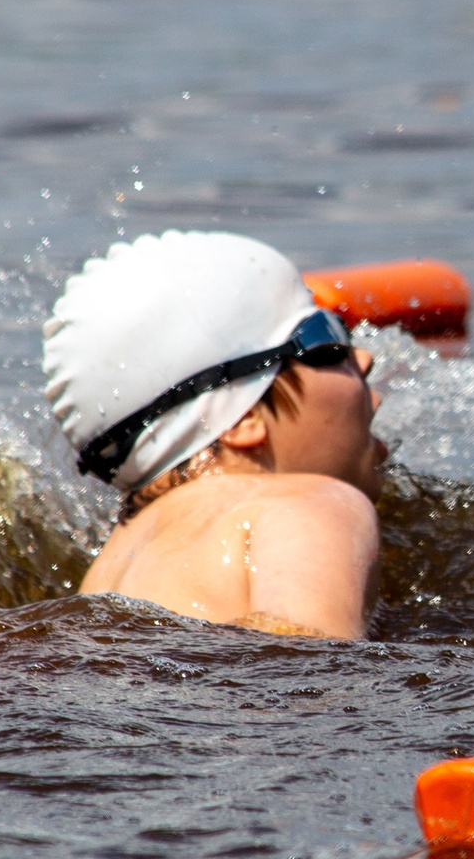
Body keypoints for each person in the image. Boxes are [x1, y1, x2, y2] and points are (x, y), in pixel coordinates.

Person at [43, 230, 387, 638]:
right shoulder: (313, 504)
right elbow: (312, 675)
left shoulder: (112, 561)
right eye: (325, 342)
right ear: (241, 419)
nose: (363, 358)